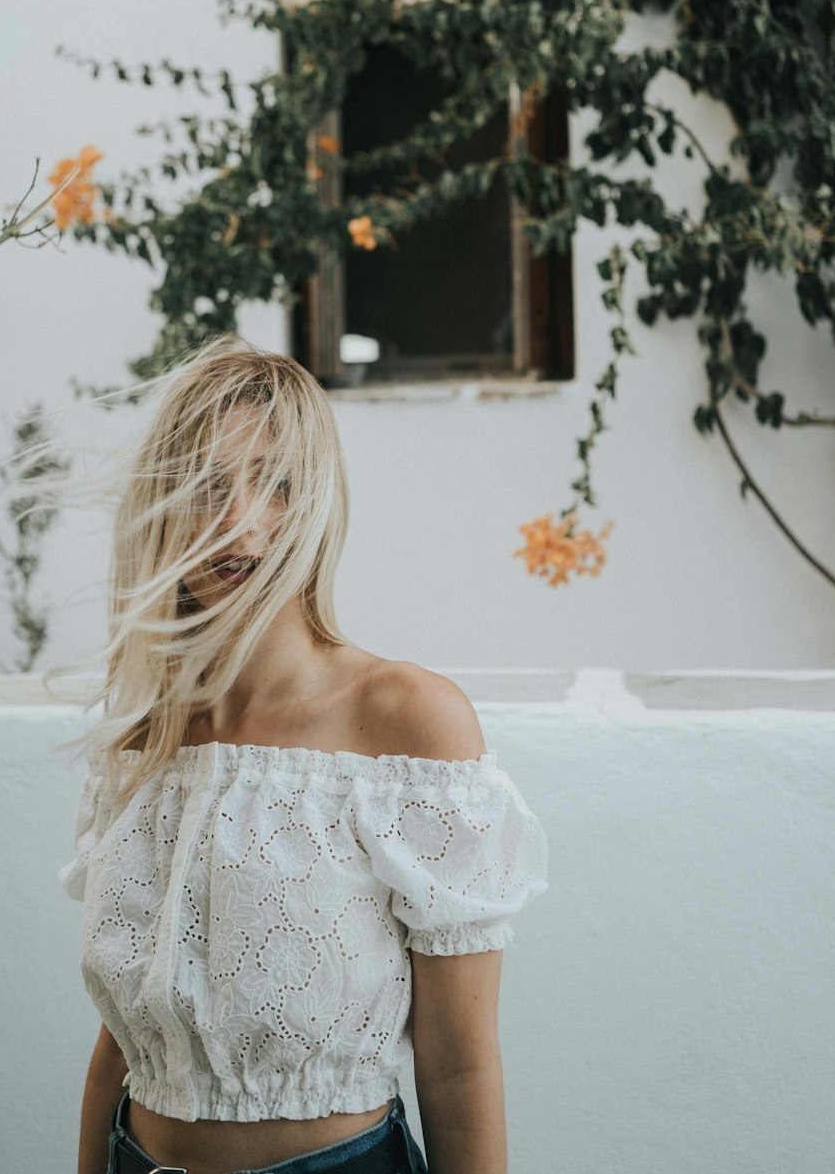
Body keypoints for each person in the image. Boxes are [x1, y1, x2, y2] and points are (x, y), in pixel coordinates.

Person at [56, 336, 549, 1174]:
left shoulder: (407, 727)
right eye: (207, 484)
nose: (239, 521)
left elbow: (459, 1064)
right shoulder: (145, 731)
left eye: (276, 484)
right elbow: (128, 1037)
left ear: (318, 502)